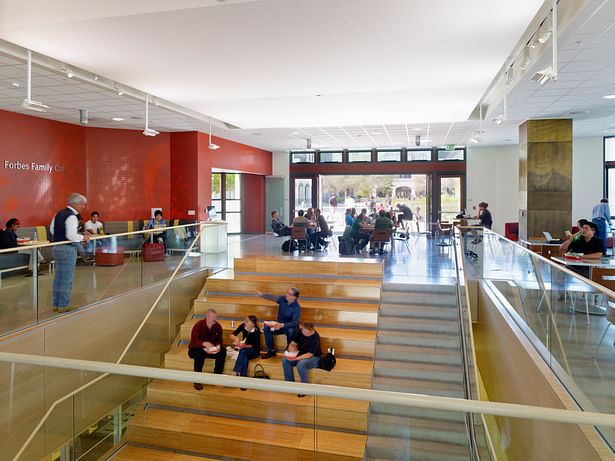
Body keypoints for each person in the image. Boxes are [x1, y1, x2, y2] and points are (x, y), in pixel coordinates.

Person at [50, 193, 90, 312]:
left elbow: (53, 230)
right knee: (67, 278)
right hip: (67, 249)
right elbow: (71, 235)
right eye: (82, 204)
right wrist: (83, 238)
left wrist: (78, 234)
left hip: (57, 248)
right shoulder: (72, 216)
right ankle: (64, 305)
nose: (83, 206)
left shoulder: (59, 213)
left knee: (58, 277)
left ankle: (56, 304)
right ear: (74, 203)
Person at [255, 287, 301, 358]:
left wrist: (282, 325)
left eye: (289, 294)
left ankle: (289, 350)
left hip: (290, 327)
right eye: (287, 292)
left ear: (294, 297)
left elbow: (294, 323)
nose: (286, 294)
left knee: (291, 330)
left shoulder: (297, 308)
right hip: (280, 325)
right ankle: (271, 350)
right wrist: (262, 295)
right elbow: (273, 297)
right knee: (266, 327)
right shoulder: (283, 299)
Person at [188, 309, 227, 390]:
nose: (215, 319)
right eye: (213, 317)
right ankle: (197, 380)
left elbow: (219, 340)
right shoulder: (198, 325)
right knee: (199, 355)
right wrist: (203, 343)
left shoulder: (218, 326)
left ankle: (216, 376)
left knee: (222, 351)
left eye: (215, 317)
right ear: (207, 317)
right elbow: (194, 341)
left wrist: (219, 345)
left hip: (210, 350)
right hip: (196, 348)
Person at [282, 322, 322, 395]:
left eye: (305, 332)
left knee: (301, 364)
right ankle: (289, 384)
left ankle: (304, 388)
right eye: (303, 330)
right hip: (301, 354)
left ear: (311, 331)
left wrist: (295, 358)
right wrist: (290, 350)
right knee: (285, 359)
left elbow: (309, 355)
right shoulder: (300, 332)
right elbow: (292, 343)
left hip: (314, 358)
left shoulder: (315, 337)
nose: (303, 332)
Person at [230, 315, 261, 381]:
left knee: (243, 351)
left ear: (252, 324)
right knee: (244, 357)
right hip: (244, 349)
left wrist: (243, 346)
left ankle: (235, 372)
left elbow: (253, 345)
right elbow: (232, 334)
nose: (245, 323)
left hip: (254, 351)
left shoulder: (256, 331)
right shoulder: (243, 326)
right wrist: (236, 338)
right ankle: (243, 379)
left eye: (247, 321)